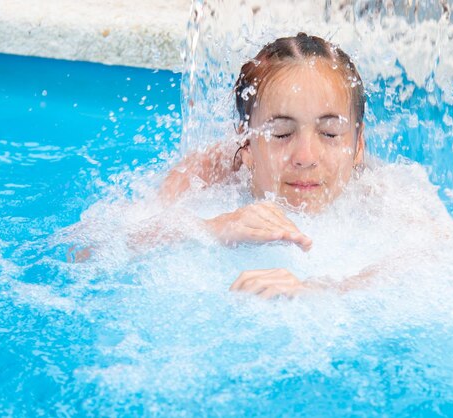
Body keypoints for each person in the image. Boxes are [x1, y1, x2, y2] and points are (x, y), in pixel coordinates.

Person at [146, 33, 373, 298]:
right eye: (281, 133)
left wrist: (325, 290)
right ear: (246, 141)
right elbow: (97, 247)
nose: (306, 156)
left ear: (358, 146)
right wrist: (213, 227)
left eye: (330, 133)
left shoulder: (380, 192)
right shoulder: (207, 173)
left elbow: (427, 258)